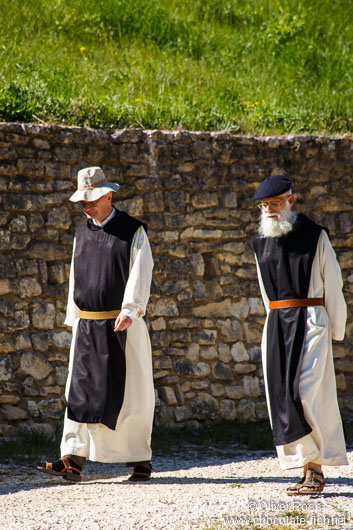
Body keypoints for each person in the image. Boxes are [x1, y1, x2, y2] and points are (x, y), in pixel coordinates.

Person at [37, 166, 155, 482]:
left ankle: (140, 459)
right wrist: (74, 318)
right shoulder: (81, 234)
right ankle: (72, 457)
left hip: (122, 326)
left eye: (91, 200)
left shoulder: (132, 231)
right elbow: (77, 277)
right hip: (88, 325)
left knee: (130, 392)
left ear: (108, 195)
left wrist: (131, 309)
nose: (86, 207)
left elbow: (141, 269)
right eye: (83, 202)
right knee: (79, 391)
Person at [252, 174, 347, 495]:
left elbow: (333, 283)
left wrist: (336, 327)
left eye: (275, 203)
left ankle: (316, 469)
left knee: (308, 394)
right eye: (264, 205)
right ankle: (308, 467)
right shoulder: (260, 242)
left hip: (311, 323)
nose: (269, 210)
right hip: (277, 323)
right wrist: (272, 324)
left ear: (290, 201)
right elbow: (266, 293)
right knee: (282, 397)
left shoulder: (315, 236)